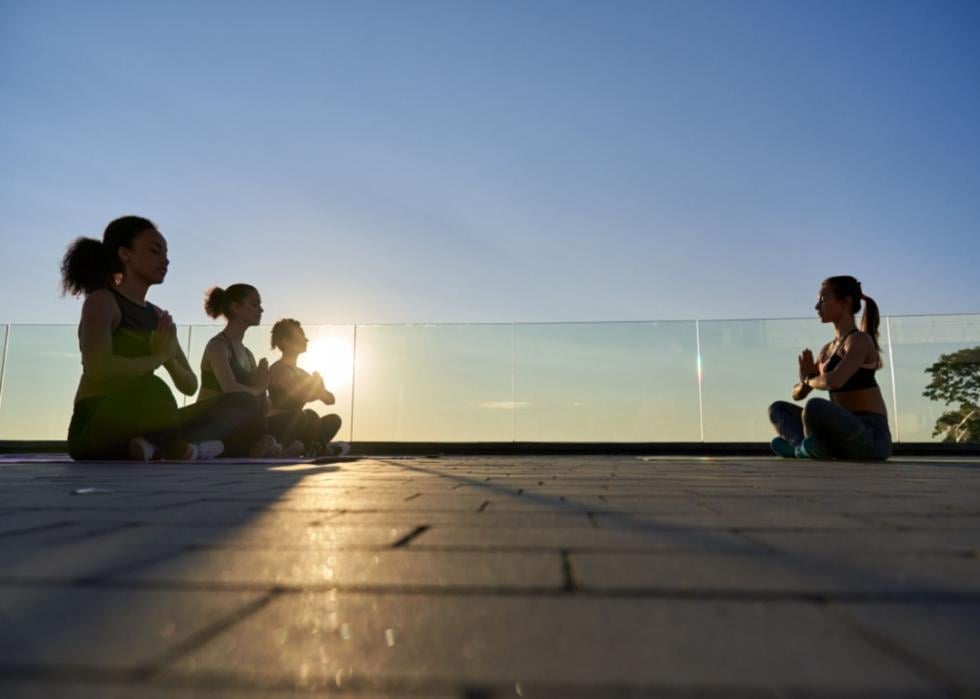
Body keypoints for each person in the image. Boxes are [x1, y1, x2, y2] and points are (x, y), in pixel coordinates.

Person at [62, 216, 254, 461]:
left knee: (242, 402)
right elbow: (98, 368)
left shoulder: (158, 316)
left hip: (147, 419)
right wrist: (157, 357)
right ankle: (178, 448)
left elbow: (189, 384)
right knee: (151, 387)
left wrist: (168, 359)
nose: (165, 260)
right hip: (95, 425)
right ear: (125, 254)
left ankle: (153, 445)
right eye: (155, 251)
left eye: (166, 253)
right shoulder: (102, 301)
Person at [768, 276, 892, 460]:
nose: (817, 307)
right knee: (778, 409)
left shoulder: (859, 340)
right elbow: (797, 395)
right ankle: (804, 448)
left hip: (870, 437)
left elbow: (835, 380)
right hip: (841, 434)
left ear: (845, 302)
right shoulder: (827, 350)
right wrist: (804, 382)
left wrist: (809, 379)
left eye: (823, 300)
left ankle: (803, 448)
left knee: (815, 407)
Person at [197, 284, 283, 457]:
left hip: (238, 421)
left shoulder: (248, 354)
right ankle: (259, 445)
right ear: (235, 307)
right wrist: (260, 387)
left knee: (300, 418)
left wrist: (263, 393)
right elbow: (231, 390)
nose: (261, 309)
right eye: (254, 304)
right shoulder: (218, 346)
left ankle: (258, 445)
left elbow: (259, 402)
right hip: (210, 420)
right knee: (247, 401)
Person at [267, 319, 348, 456]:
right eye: (301, 335)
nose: (306, 339)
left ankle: (307, 447)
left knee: (334, 420)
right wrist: (317, 391)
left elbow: (330, 400)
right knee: (306, 415)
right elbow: (299, 394)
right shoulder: (279, 369)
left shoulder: (302, 373)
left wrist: (320, 388)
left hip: (299, 423)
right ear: (286, 341)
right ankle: (321, 448)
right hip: (278, 425)